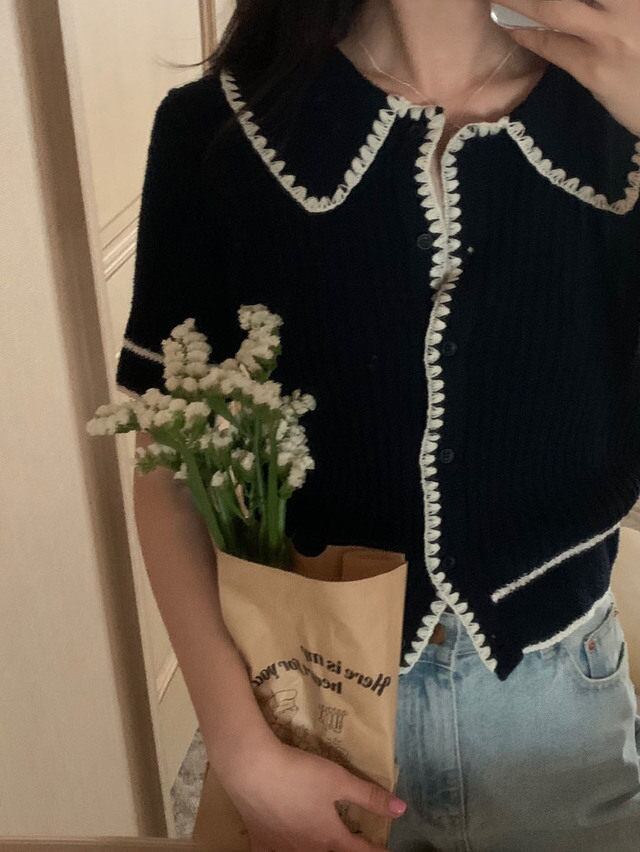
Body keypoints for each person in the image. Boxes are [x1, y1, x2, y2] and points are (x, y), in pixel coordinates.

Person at [115, 1, 640, 849]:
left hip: (562, 718)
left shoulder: (623, 128)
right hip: (308, 715)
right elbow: (168, 472)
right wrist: (240, 750)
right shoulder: (217, 132)